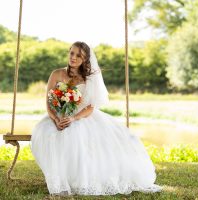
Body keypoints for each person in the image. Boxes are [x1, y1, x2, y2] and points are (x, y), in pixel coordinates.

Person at [30, 41, 162, 196]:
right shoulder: (57, 74)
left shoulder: (89, 78)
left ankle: (81, 180)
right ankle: (59, 179)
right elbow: (48, 101)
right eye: (72, 53)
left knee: (76, 134)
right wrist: (55, 119)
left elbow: (91, 107)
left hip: (81, 116)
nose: (73, 57)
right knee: (49, 134)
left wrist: (73, 118)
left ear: (85, 60)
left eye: (79, 56)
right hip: (58, 116)